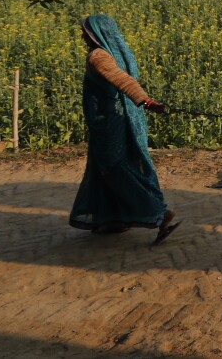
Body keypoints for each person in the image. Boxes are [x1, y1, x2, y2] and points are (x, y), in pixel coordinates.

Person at [69, 14, 180, 244]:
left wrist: (147, 101)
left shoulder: (98, 56)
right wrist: (145, 103)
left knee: (114, 168)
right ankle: (116, 219)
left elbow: (121, 80)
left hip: (110, 122)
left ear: (95, 34)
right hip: (128, 118)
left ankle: (159, 214)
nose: (82, 36)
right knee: (120, 164)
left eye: (85, 32)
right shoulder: (121, 52)